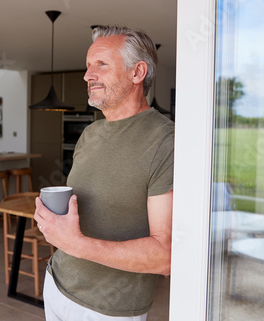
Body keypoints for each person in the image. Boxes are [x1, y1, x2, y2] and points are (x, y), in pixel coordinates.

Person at [34, 25, 174, 320]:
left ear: (137, 73)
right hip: (57, 283)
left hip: (108, 309)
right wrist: (54, 223)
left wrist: (76, 244)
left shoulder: (166, 141)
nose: (87, 76)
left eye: (101, 64)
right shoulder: (90, 133)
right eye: (88, 66)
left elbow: (165, 256)